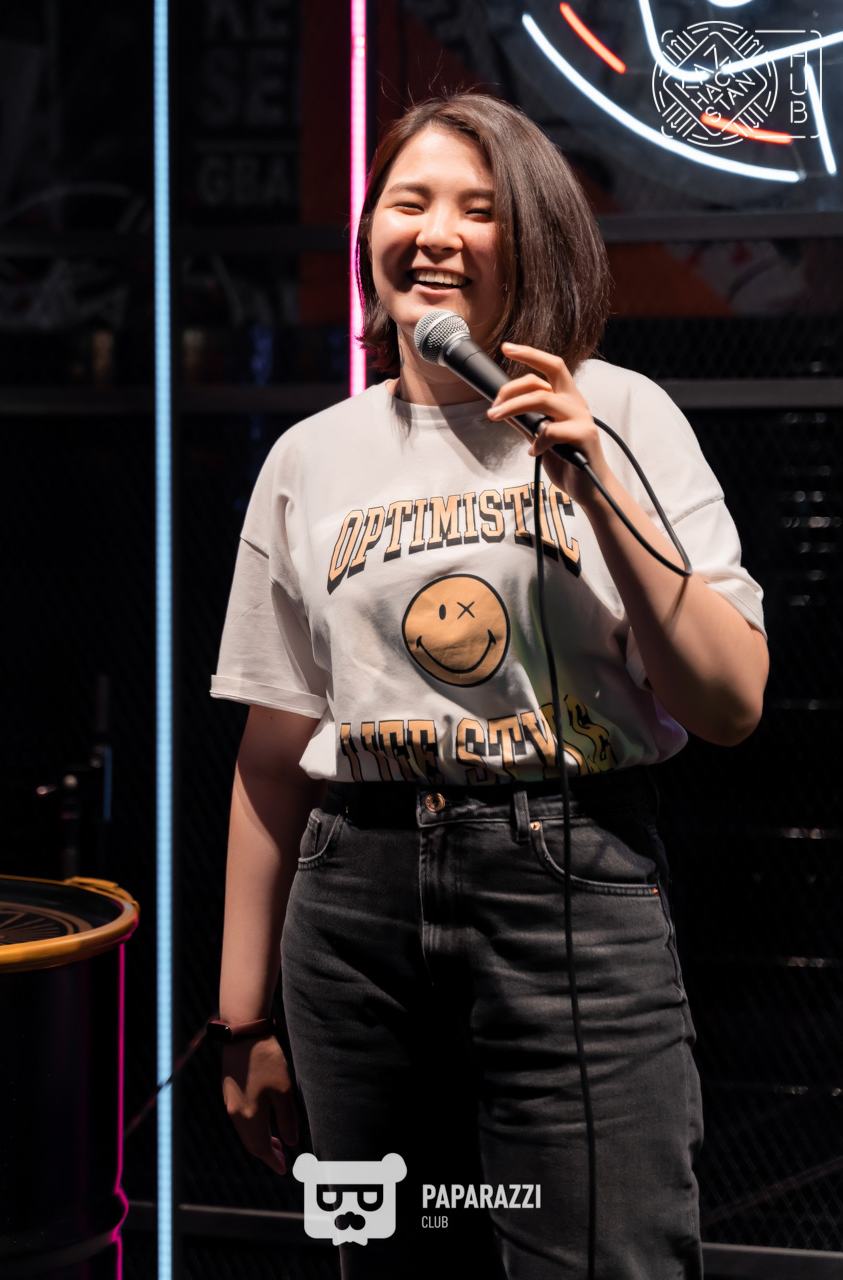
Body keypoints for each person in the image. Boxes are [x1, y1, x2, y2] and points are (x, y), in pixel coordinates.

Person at [211, 92, 768, 1279]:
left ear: (535, 237)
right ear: (370, 230)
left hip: (567, 878)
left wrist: (596, 484)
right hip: (352, 903)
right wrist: (240, 1016)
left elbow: (729, 700)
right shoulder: (310, 456)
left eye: (477, 208)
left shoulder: (620, 410)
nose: (434, 233)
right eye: (406, 202)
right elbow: (271, 752)